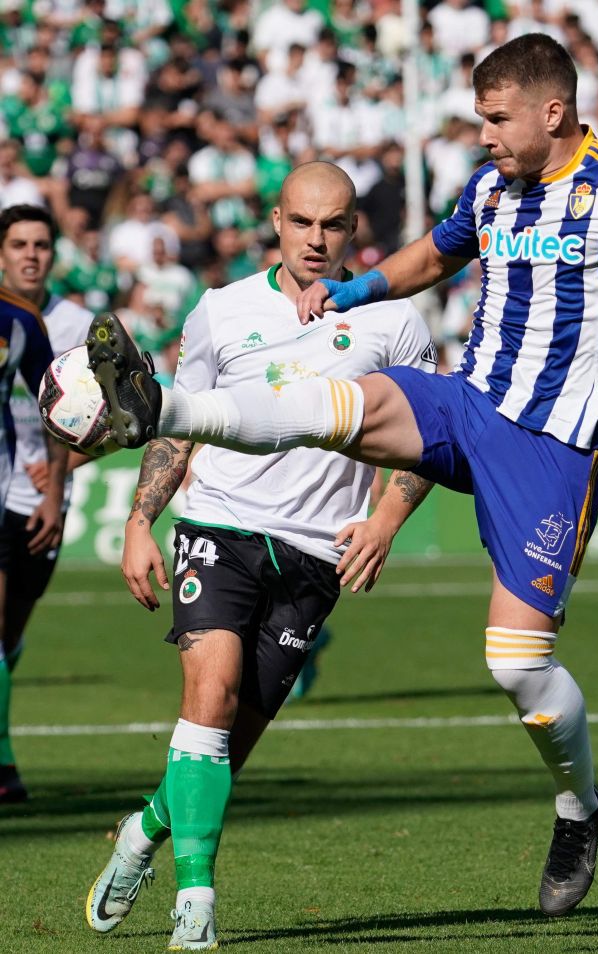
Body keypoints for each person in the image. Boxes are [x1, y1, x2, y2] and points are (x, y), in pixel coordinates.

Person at [87, 34, 598, 920]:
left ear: (554, 111)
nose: (487, 136)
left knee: (516, 663)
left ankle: (580, 808)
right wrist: (354, 295)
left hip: (551, 452)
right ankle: (160, 410)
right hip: (470, 404)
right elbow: (434, 257)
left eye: (498, 119)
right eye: (480, 120)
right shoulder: (492, 188)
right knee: (336, 403)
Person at [85, 162, 435, 951]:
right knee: (209, 697)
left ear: (354, 231)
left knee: (225, 749)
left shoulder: (395, 321)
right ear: (277, 221)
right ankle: (197, 905)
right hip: (220, 523)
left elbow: (424, 432)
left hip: (317, 552)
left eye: (335, 225)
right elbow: (177, 425)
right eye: (304, 222)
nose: (318, 239)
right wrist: (143, 520)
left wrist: (385, 517)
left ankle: (146, 828)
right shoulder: (221, 311)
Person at [0, 205, 70, 803]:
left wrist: (55, 488)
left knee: (12, 628)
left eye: (40, 244)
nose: (30, 255)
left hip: (38, 496)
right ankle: (4, 764)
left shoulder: (50, 322)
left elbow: (64, 408)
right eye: (18, 243)